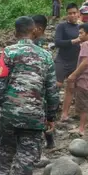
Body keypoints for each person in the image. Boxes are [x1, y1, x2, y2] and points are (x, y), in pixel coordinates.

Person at [0, 16, 59, 175]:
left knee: (4, 150)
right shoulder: (45, 56)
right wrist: (51, 116)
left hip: (9, 114)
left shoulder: (8, 52)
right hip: (34, 117)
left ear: (15, 32)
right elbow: (51, 90)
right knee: (25, 160)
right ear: (33, 31)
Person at [66, 23, 88, 136]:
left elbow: (84, 63)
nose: (79, 35)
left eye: (81, 33)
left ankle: (81, 128)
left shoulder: (85, 45)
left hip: (83, 79)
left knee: (82, 105)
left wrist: (73, 75)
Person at [30, 14, 55, 149]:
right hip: (40, 83)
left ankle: (47, 140)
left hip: (39, 84)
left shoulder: (39, 43)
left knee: (42, 114)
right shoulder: (38, 41)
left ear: (38, 28)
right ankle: (49, 140)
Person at [54, 3, 81, 121]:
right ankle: (50, 111)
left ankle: (65, 114)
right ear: (67, 15)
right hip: (61, 59)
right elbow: (57, 42)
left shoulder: (81, 28)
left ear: (78, 13)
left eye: (74, 13)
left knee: (70, 88)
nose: (72, 15)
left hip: (75, 61)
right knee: (56, 85)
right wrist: (74, 41)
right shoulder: (62, 26)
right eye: (70, 13)